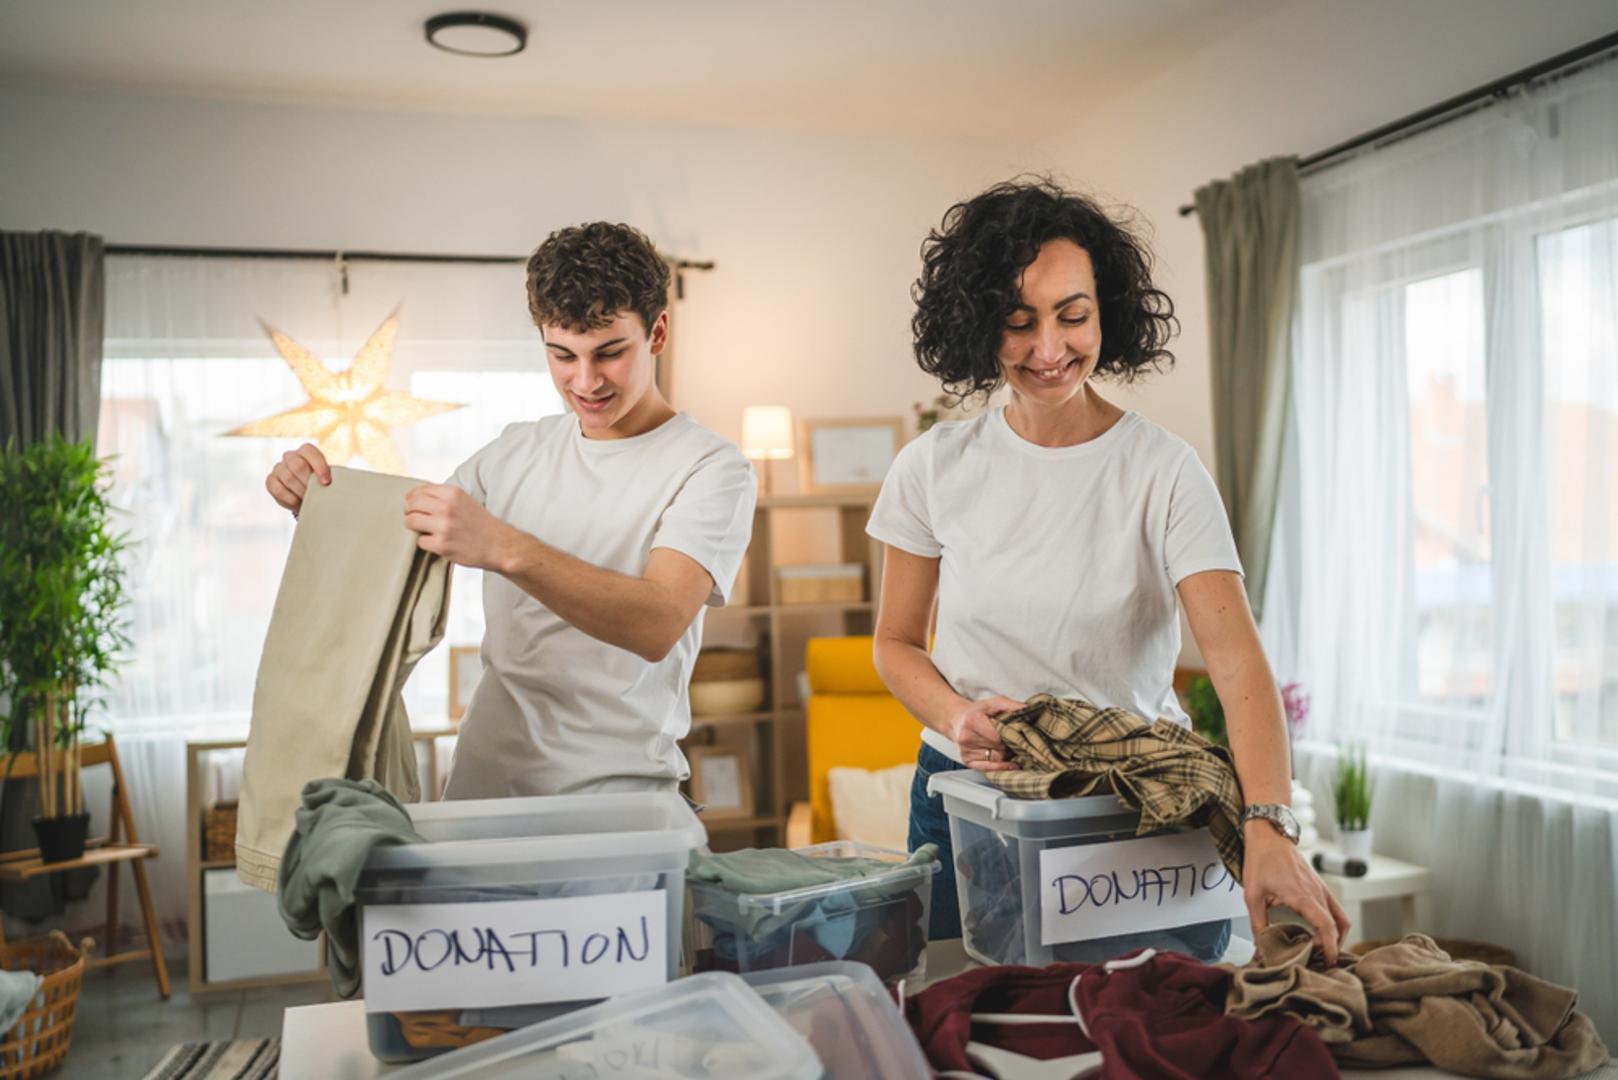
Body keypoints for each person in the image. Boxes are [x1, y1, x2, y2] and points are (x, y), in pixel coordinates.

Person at [869, 178, 1351, 961]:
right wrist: (958, 717)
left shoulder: (1164, 471)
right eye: (1017, 322)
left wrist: (1270, 824)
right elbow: (894, 643)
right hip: (970, 798)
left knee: (1156, 1025)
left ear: (1107, 312)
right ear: (977, 325)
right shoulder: (932, 467)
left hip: (1137, 804)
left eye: (1073, 315)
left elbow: (1238, 665)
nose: (1049, 349)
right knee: (971, 1022)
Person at [265, 222, 756, 798]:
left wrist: (503, 548)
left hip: (618, 794)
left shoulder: (711, 467)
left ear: (658, 332)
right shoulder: (515, 450)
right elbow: (400, 542)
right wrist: (318, 502)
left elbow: (656, 623)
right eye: (562, 355)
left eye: (610, 353)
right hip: (485, 784)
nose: (586, 380)